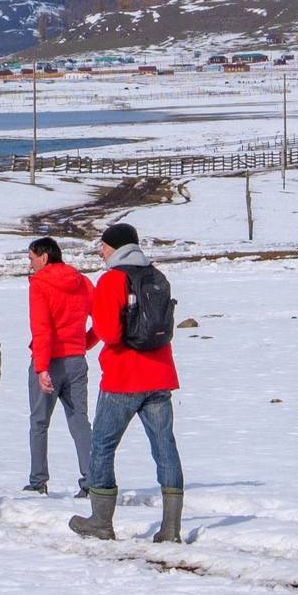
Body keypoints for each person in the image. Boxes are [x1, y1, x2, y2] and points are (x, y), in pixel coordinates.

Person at [71, 222, 183, 543]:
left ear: (116, 247)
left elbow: (111, 332)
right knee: (165, 449)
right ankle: (171, 529)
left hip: (124, 378)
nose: (101, 251)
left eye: (104, 246)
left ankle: (101, 522)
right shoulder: (156, 276)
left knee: (102, 447)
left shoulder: (112, 279)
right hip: (160, 375)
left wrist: (94, 332)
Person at [23, 235, 96, 496]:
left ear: (44, 257)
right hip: (76, 361)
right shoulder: (82, 281)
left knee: (39, 422)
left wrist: (41, 368)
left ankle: (37, 481)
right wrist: (85, 343)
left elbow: (41, 329)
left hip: (50, 361)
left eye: (31, 258)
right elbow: (103, 318)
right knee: (80, 421)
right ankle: (91, 481)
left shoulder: (39, 284)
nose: (30, 264)